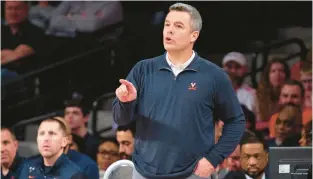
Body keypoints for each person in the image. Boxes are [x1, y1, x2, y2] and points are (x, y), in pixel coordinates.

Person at [112, 2, 245, 179]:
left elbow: (236, 121)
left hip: (192, 173)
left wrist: (213, 159)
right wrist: (125, 103)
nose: (169, 30)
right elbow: (120, 119)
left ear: (193, 36)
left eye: (178, 26)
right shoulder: (143, 69)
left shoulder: (214, 75)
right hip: (144, 172)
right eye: (167, 24)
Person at [19, 118, 87, 178]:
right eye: (42, 133)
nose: (45, 138)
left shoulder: (75, 175)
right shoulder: (27, 168)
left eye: (52, 133)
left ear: (64, 141)